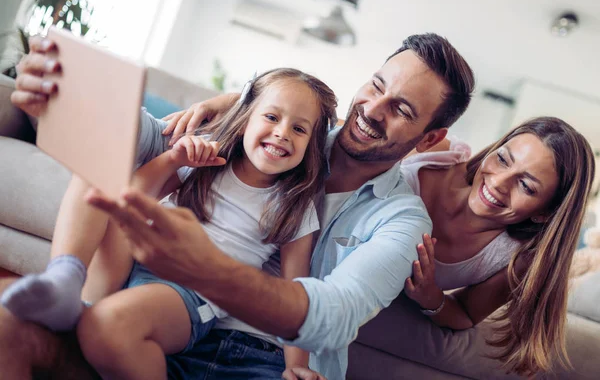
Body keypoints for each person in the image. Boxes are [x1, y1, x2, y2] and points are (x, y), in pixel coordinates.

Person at [1, 32, 475, 380]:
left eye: (403, 110)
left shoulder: (402, 220)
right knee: (7, 328)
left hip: (259, 362)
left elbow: (332, 312)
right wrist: (63, 92)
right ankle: (63, 277)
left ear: (430, 139)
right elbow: (136, 137)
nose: (373, 109)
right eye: (376, 86)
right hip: (141, 313)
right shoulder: (261, 134)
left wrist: (206, 269)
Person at [3, 68, 338, 379]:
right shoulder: (205, 157)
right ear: (246, 117)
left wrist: (296, 366)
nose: (281, 133)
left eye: (298, 128)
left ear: (311, 144)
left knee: (115, 327)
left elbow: (296, 293)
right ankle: (65, 275)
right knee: (105, 171)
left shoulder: (294, 204)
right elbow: (133, 197)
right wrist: (175, 158)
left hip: (192, 296)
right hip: (136, 266)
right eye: (271, 117)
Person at [398, 117, 595, 375]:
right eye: (503, 159)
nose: (499, 182)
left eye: (526, 185)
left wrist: (431, 296)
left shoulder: (515, 257)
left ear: (545, 213)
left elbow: (466, 314)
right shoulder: (435, 153)